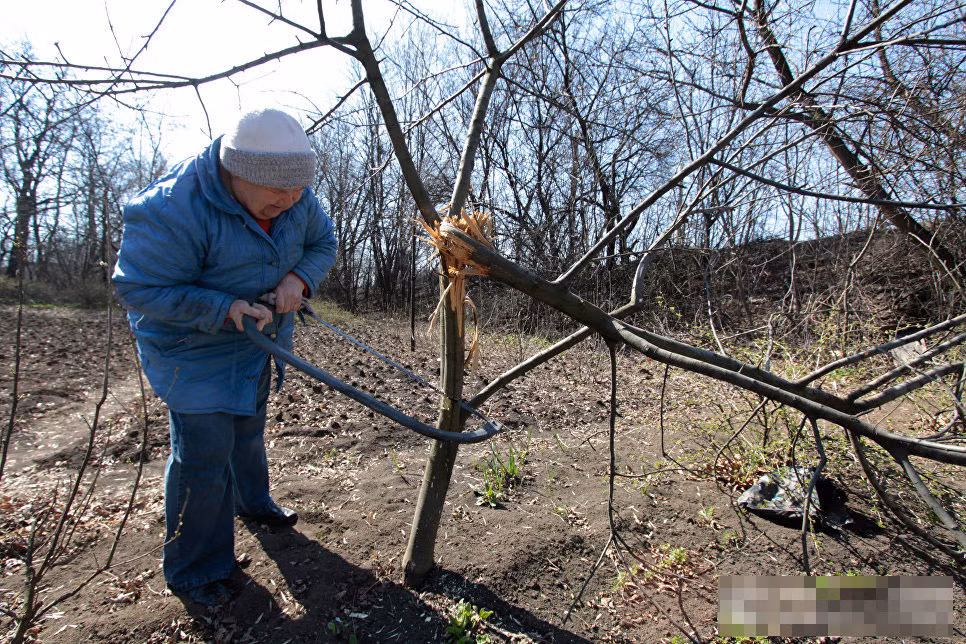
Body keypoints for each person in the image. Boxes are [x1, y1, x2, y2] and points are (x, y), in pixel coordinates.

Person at [112, 108, 337, 606]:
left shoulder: (294, 196)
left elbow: (323, 242)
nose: (290, 200)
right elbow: (138, 287)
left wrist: (298, 279)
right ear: (238, 173)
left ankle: (252, 503)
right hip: (191, 347)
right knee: (203, 454)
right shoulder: (173, 207)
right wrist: (222, 308)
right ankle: (197, 570)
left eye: (298, 190)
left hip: (258, 340)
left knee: (247, 430)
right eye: (277, 191)